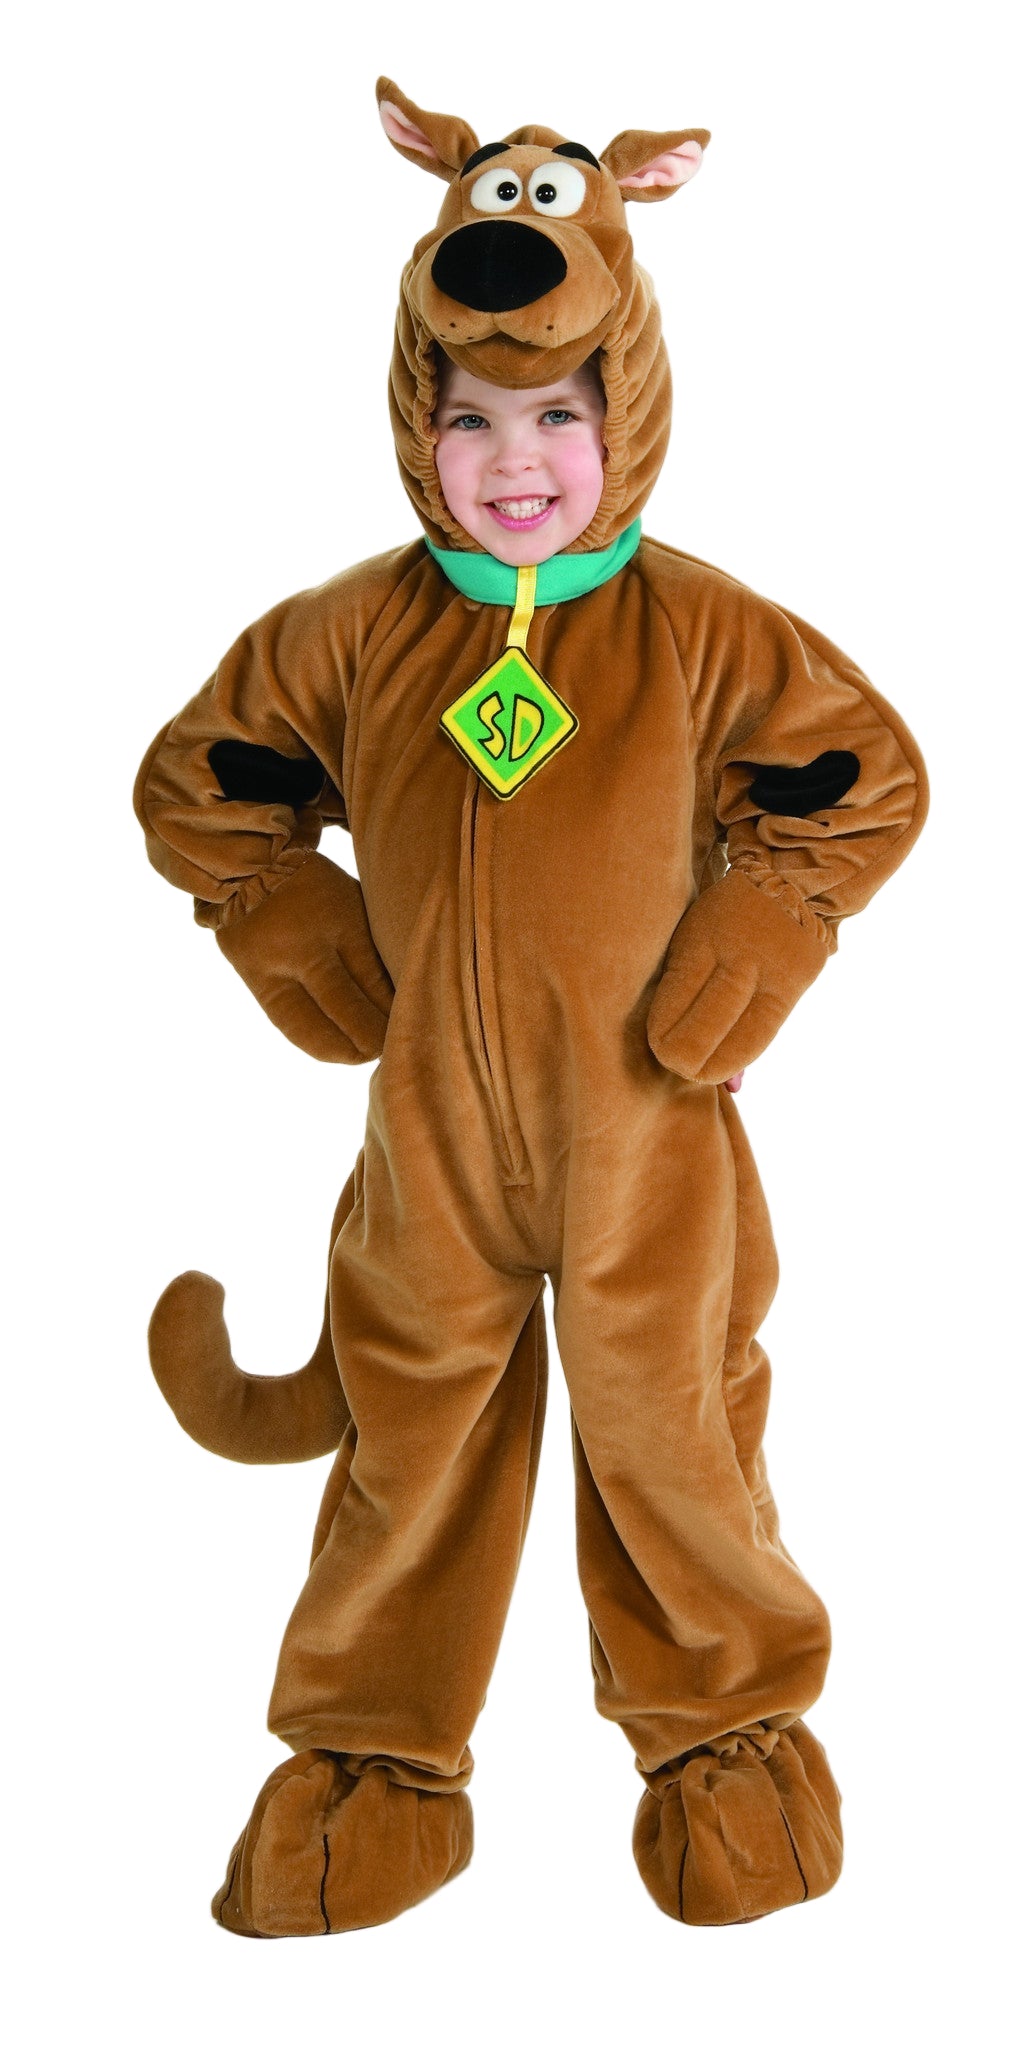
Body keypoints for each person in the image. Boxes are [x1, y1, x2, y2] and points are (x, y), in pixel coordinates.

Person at [135, 80, 927, 1935]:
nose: (515, 462)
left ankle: (726, 1743)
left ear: (624, 409)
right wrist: (283, 912)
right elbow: (201, 783)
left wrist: (762, 922)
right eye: (472, 418)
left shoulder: (705, 629)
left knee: (673, 1430)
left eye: (559, 414)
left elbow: (863, 780)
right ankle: (368, 1764)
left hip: (651, 1133)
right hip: (429, 1147)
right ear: (416, 424)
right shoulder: (350, 632)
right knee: (410, 1445)